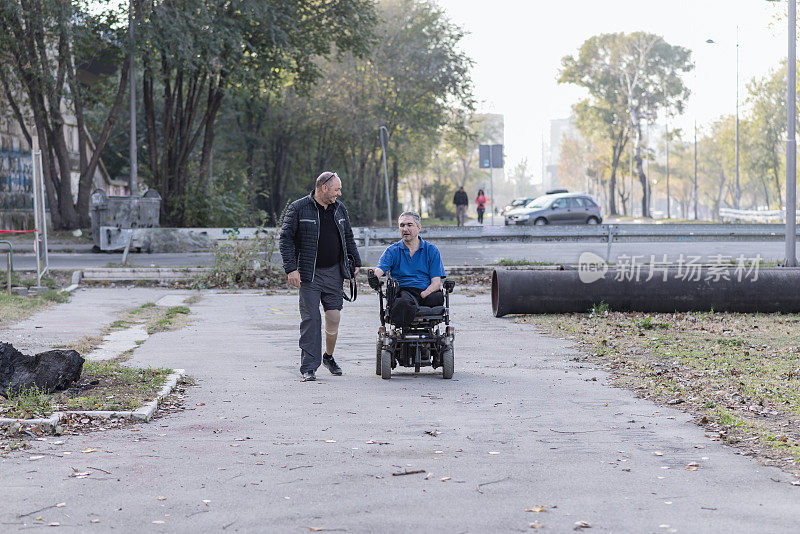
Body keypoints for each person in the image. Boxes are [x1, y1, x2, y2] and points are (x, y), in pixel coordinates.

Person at [279, 171, 361, 382]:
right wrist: (291, 269)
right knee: (312, 319)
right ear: (324, 188)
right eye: (336, 189)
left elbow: (348, 237)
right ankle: (309, 367)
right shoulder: (298, 208)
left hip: (334, 272)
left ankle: (328, 357)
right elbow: (285, 240)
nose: (339, 193)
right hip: (309, 274)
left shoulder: (339, 209)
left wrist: (355, 262)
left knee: (333, 317)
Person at [368, 211, 446, 327]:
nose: (405, 229)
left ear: (419, 228)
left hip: (426, 291)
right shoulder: (392, 251)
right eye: (402, 225)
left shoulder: (431, 250)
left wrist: (424, 294)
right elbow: (380, 269)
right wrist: (374, 276)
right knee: (402, 302)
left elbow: (436, 283)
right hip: (404, 290)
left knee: (437, 298)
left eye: (409, 225)